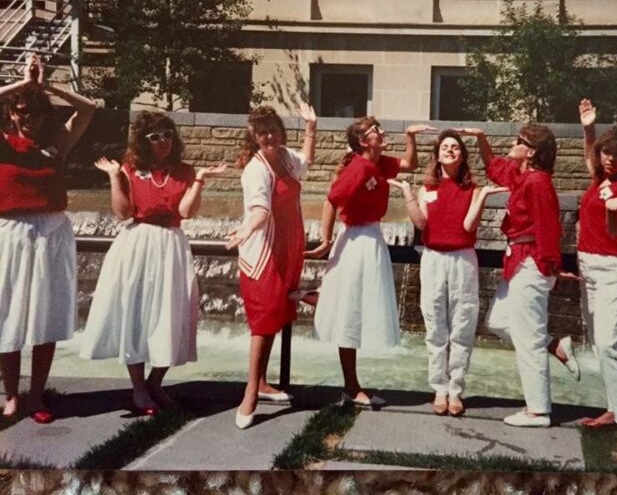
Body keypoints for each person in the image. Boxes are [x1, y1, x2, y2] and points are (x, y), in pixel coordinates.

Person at [81, 112, 226, 415]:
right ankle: (138, 389)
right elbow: (122, 213)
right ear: (143, 141)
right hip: (138, 244)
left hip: (171, 245)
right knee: (137, 313)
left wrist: (200, 180)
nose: (163, 142)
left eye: (167, 134)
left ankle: (155, 382)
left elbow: (186, 212)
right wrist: (114, 177)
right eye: (155, 136)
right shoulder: (131, 169)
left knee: (171, 314)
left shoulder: (185, 171)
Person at [307, 117, 432, 407]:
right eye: (377, 131)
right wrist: (325, 241)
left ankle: (352, 384)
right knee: (350, 311)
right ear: (364, 142)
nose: (383, 133)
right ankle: (351, 387)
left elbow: (409, 165)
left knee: (360, 307)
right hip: (355, 240)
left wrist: (410, 136)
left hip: (372, 237)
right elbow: (331, 200)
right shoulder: (359, 168)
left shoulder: (380, 162)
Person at [0, 55, 95, 423]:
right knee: (7, 316)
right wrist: (22, 84)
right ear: (11, 114)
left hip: (51, 234)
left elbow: (88, 108)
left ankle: (37, 395)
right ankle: (11, 395)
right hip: (10, 234)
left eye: (35, 112)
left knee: (44, 318)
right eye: (21, 111)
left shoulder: (57, 144)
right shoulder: (4, 144)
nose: (28, 118)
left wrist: (46, 86)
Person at [465, 125, 578, 428]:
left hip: (531, 264)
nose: (512, 145)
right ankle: (554, 344)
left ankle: (538, 410)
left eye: (519, 142)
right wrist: (480, 139)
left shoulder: (538, 182)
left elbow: (548, 226)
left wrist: (548, 266)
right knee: (498, 321)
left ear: (531, 152)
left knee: (528, 338)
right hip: (516, 262)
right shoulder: (521, 176)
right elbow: (495, 168)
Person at [389, 129, 506, 416]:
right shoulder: (426, 189)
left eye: (455, 147)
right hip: (432, 259)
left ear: (463, 155)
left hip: (463, 260)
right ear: (437, 154)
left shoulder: (473, 189)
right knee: (434, 323)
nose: (450, 150)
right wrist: (407, 194)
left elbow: (468, 227)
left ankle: (456, 389)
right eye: (445, 147)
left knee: (463, 324)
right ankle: (438, 388)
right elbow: (420, 224)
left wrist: (482, 198)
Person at [226, 103, 317, 429]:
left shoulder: (284, 156)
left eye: (273, 130)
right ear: (254, 135)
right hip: (265, 249)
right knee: (264, 320)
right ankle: (250, 390)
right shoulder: (255, 169)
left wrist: (311, 128)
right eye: (262, 132)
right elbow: (259, 210)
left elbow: (306, 162)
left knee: (277, 312)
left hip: (289, 246)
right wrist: (246, 229)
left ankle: (263, 382)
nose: (269, 136)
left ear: (280, 131)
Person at [576, 99, 617, 456]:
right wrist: (589, 129)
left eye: (616, 155)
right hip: (589, 269)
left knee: (608, 344)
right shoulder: (599, 178)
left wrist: (614, 213)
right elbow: (590, 157)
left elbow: (616, 232)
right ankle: (614, 407)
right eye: (606, 153)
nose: (608, 159)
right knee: (599, 343)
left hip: (614, 270)